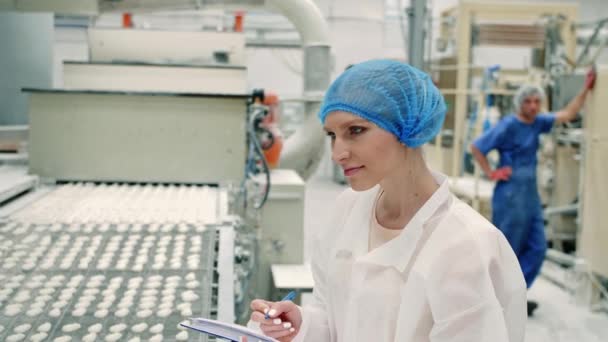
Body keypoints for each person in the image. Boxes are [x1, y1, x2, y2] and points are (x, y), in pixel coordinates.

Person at [247, 59, 527, 342]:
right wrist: (302, 326)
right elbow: (335, 317)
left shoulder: (466, 246)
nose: (338, 153)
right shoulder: (348, 209)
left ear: (406, 127)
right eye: (332, 135)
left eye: (355, 131)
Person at [471, 70, 597, 317]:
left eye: (537, 101)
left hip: (530, 195)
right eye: (528, 101)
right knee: (508, 250)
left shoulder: (538, 122)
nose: (533, 105)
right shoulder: (508, 125)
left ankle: (514, 295)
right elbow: (477, 147)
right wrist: (491, 173)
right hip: (510, 195)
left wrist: (586, 88)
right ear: (520, 103)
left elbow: (568, 114)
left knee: (537, 248)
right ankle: (494, 301)